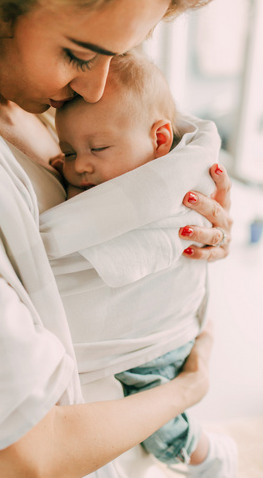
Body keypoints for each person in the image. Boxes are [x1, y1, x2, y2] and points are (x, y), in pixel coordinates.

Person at [0, 0, 233, 477]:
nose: (96, 88)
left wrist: (183, 225)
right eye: (80, 55)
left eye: (119, 54)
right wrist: (188, 388)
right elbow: (28, 457)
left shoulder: (29, 96)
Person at [42, 52, 237, 477]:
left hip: (157, 341)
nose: (81, 165)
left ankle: (203, 456)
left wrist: (209, 226)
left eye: (98, 148)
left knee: (162, 426)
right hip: (139, 342)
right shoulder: (96, 151)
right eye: (69, 151)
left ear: (161, 139)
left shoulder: (159, 175)